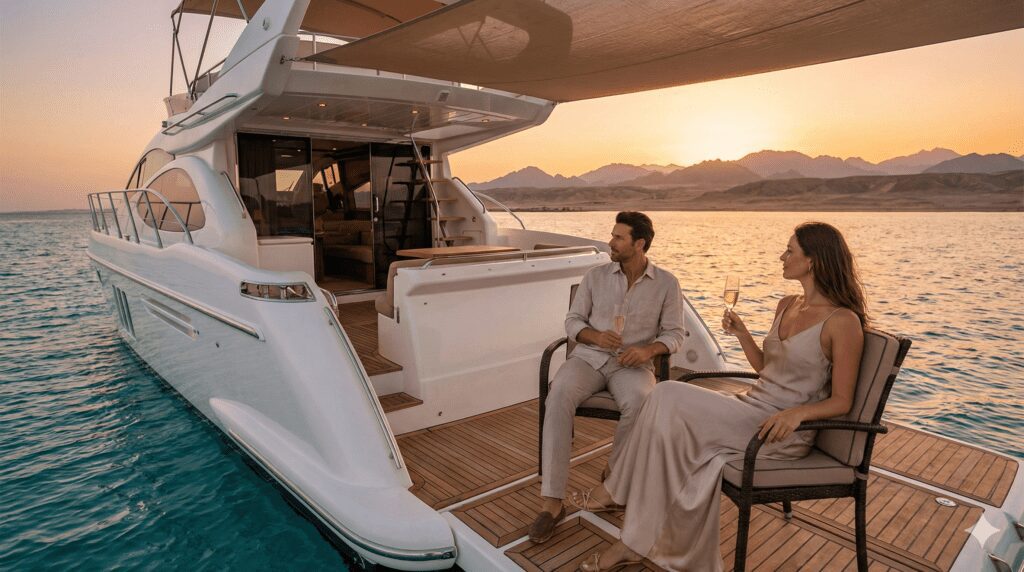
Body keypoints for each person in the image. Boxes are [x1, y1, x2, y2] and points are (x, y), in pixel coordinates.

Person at [573, 222, 867, 572]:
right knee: (665, 423)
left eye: (790, 251)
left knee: (666, 394)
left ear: (813, 261)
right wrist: (743, 334)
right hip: (750, 408)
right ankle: (633, 534)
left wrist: (797, 415)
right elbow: (766, 368)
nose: (782, 257)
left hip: (779, 431)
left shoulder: (842, 321)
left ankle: (619, 500)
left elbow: (842, 401)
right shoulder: (787, 304)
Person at [528, 212, 686, 544]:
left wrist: (648, 351)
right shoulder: (595, 276)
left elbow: (675, 334)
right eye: (611, 235)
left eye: (618, 237)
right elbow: (571, 322)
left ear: (639, 243)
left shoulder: (667, 283)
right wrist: (595, 337)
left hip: (633, 366)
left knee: (642, 401)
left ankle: (613, 482)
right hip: (589, 359)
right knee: (557, 395)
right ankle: (552, 502)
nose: (610, 242)